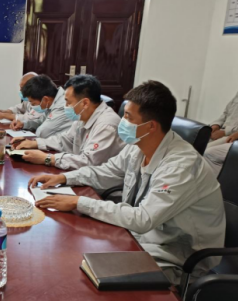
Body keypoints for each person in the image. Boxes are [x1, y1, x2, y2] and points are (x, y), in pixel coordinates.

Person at [29, 80, 226, 285]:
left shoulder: (181, 165)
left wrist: (78, 202)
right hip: (143, 238)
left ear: (151, 126)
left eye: (128, 117)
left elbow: (143, 219)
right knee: (77, 253)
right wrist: (64, 178)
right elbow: (108, 170)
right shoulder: (139, 145)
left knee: (84, 273)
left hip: (178, 256)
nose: (122, 122)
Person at [13, 75, 125, 169]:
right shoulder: (82, 116)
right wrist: (35, 143)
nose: (65, 106)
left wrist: (47, 159)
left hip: (97, 184)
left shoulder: (106, 125)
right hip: (80, 174)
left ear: (85, 103)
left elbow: (88, 162)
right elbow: (64, 140)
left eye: (68, 103)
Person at [9, 74, 71, 139]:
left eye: (33, 103)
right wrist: (24, 124)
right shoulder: (51, 101)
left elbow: (42, 132)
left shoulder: (62, 106)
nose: (32, 106)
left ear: (45, 99)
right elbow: (41, 121)